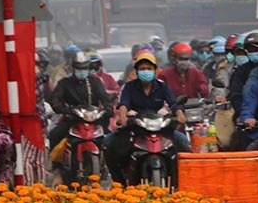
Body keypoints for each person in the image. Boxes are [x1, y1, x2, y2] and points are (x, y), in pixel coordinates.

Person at [106, 51, 190, 183]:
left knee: (184, 142)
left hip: (160, 126)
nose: (146, 71)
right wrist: (123, 117)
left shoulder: (162, 86)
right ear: (137, 71)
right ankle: (119, 182)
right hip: (136, 126)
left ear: (155, 70)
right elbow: (123, 104)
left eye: (149, 68)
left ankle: (179, 181)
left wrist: (180, 115)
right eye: (142, 68)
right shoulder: (129, 87)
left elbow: (174, 103)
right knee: (109, 143)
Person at [47, 51, 113, 156]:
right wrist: (62, 108)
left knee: (110, 140)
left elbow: (104, 97)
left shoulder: (95, 81)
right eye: (79, 68)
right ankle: (57, 167)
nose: (81, 71)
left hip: (94, 118)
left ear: (88, 68)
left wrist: (108, 107)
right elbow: (55, 99)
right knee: (54, 135)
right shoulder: (65, 83)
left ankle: (107, 166)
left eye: (84, 68)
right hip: (72, 118)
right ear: (73, 68)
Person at [229, 32, 258, 115]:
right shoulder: (241, 70)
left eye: (256, 50)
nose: (253, 53)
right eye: (250, 51)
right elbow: (236, 94)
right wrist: (241, 113)